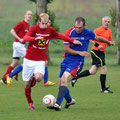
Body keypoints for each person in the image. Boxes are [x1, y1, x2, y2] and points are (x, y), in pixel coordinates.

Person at [52, 17, 115, 111]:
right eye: (76, 27)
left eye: (80, 27)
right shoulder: (69, 32)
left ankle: (57, 104)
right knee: (60, 84)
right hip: (66, 60)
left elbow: (97, 38)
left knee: (64, 79)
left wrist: (108, 41)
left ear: (84, 26)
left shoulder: (88, 33)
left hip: (77, 62)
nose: (77, 29)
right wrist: (80, 52)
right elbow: (66, 49)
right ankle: (69, 100)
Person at [22, 13, 81, 110]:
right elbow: (25, 38)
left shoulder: (50, 30)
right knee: (27, 85)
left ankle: (34, 76)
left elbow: (59, 36)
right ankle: (30, 103)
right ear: (39, 22)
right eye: (43, 24)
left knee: (39, 78)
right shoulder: (34, 29)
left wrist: (72, 41)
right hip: (29, 59)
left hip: (40, 60)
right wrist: (35, 38)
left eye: (46, 23)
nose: (45, 26)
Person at [71, 16, 115, 93]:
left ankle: (75, 77)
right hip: (95, 51)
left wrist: (111, 43)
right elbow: (90, 39)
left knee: (93, 71)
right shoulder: (97, 30)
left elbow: (109, 40)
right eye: (105, 21)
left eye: (108, 22)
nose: (107, 23)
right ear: (102, 22)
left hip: (102, 52)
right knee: (104, 68)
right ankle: (103, 89)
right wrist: (98, 45)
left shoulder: (109, 31)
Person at [6, 19, 55, 87]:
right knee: (27, 64)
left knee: (45, 62)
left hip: (37, 53)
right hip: (31, 51)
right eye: (47, 22)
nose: (48, 24)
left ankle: (45, 81)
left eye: (49, 22)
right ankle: (10, 75)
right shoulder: (39, 30)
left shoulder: (46, 31)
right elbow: (38, 43)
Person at [0, 10, 32, 86]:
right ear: (25, 15)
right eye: (28, 14)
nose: (29, 16)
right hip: (18, 45)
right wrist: (19, 38)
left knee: (15, 63)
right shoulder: (21, 23)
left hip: (20, 45)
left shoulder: (28, 25)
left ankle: (3, 79)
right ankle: (13, 74)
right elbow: (12, 31)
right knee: (30, 58)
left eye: (31, 15)